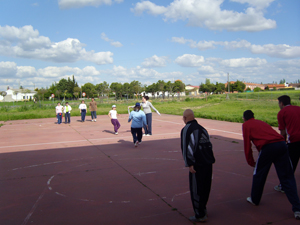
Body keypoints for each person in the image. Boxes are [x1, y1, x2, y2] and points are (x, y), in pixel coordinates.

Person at [242, 110, 300, 220]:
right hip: (281, 144)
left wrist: (251, 161)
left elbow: (247, 145)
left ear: (244, 118)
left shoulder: (246, 125)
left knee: (259, 174)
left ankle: (255, 199)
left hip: (268, 147)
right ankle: (297, 208)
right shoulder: (261, 122)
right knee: (287, 177)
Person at [180, 109, 215, 222]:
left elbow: (187, 147)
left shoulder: (187, 129)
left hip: (197, 164)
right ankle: (203, 209)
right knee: (206, 187)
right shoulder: (202, 129)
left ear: (185, 118)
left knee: (196, 189)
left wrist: (189, 164)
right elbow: (209, 145)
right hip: (208, 163)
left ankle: (199, 214)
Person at [274, 95, 300, 193]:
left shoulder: (282, 113)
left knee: (289, 165)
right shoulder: (298, 108)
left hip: (294, 141)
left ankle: (284, 186)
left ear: (281, 103)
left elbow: (283, 131)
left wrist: (283, 143)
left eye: (278, 103)